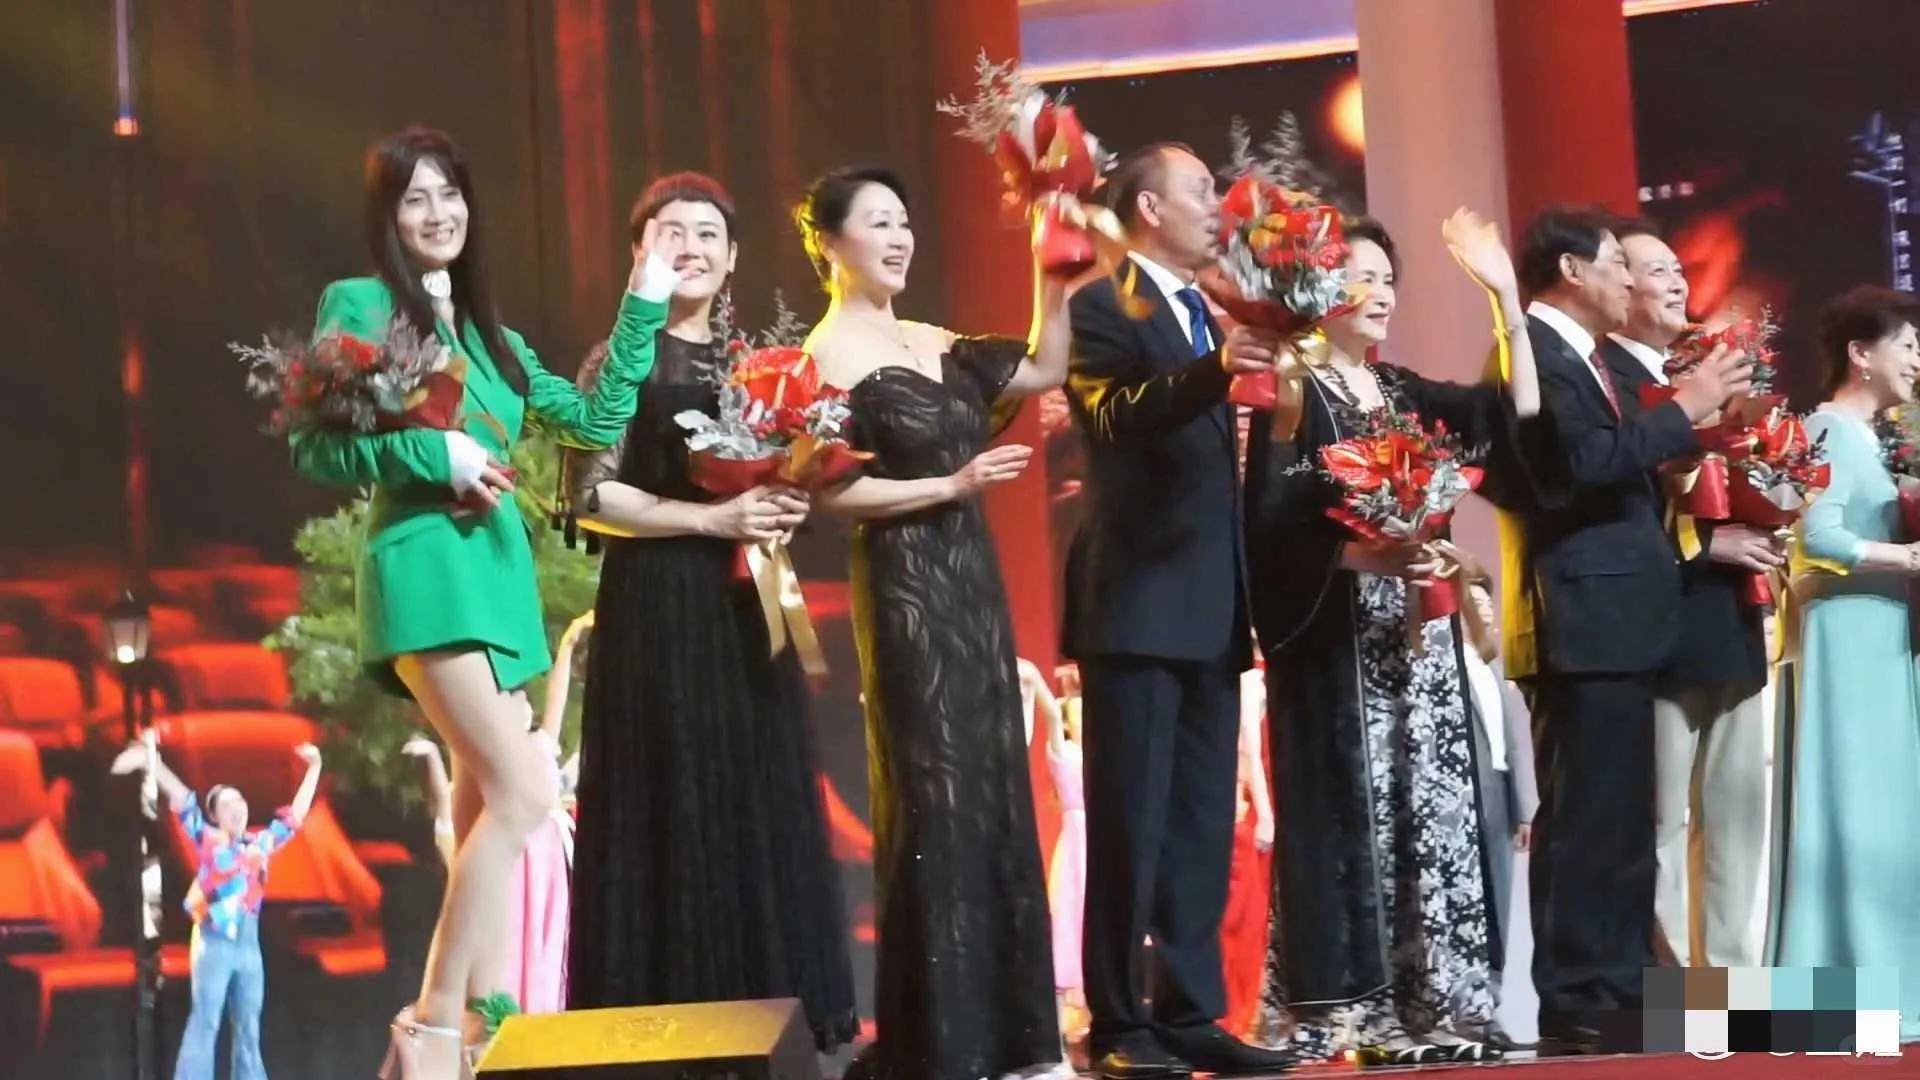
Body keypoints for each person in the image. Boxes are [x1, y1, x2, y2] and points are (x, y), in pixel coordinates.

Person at [289, 126, 680, 1078]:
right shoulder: (360, 306)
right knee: (524, 794)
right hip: (425, 571)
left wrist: (642, 303)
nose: (438, 213)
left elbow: (594, 420)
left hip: (497, 584)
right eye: (415, 198)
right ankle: (432, 1022)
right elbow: (316, 446)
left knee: (484, 819)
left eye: (450, 193)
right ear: (389, 217)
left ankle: (484, 1027)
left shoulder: (493, 339)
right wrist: (438, 452)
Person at [1241, 212, 1549, 1064]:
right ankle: (1356, 1012)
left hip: (1419, 641)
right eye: (1361, 276)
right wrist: (1360, 553)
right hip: (1337, 645)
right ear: (1315, 287)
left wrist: (1504, 296)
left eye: (1388, 279)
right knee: (1354, 817)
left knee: (1432, 815)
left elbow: (1516, 408)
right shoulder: (1293, 389)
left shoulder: (1400, 392)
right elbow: (1266, 526)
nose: (1381, 293)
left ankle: (1437, 1007)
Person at [560, 172, 857, 1049]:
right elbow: (589, 496)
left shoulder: (760, 370)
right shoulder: (618, 362)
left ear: (732, 261)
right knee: (668, 800)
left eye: (707, 235)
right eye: (671, 232)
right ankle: (666, 1038)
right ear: (639, 254)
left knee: (751, 799)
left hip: (744, 608)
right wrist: (712, 519)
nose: (690, 247)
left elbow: (791, 475)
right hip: (657, 607)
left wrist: (784, 500)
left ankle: (763, 1031)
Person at [798, 164, 1075, 1080]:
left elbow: (1043, 368)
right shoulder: (823, 356)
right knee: (937, 795)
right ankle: (944, 1043)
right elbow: (832, 495)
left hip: (973, 588)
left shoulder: (931, 337)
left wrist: (1049, 270)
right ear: (830, 243)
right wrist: (950, 485)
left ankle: (1019, 1038)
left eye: (904, 220)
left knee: (994, 785)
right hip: (905, 588)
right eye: (878, 221)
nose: (899, 237)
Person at [1062, 141, 1292, 1080]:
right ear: (1150, 208)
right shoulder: (1100, 305)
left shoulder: (1209, 311)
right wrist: (1214, 372)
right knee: (1132, 822)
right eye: (1201, 191)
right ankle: (1120, 1022)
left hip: (1210, 603)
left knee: (1200, 824)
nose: (1218, 207)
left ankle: (1191, 1012)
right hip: (1137, 601)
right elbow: (1111, 416)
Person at [1507, 206, 1750, 1054]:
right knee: (1585, 821)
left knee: (1620, 822)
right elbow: (1573, 467)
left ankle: (1621, 988)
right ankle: (1576, 996)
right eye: (1617, 262)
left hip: (1622, 620)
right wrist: (1683, 410)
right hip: (1582, 619)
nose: (1628, 278)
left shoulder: (1582, 358)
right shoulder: (1537, 352)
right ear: (1571, 271)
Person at [1603, 220, 1779, 970]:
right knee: (1662, 825)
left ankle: (1732, 992)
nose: (1677, 282)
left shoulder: (1715, 369)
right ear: (1617, 287)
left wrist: (1777, 488)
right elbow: (1608, 505)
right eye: (1656, 271)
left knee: (1737, 820)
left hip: (1729, 620)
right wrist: (1707, 544)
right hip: (1658, 630)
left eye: (1679, 269)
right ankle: (1674, 995)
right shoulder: (1605, 380)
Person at [1772, 285, 1920, 1042]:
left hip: (1885, 628)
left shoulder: (1876, 438)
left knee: (1891, 805)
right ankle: (1844, 986)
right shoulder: (1825, 429)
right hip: (1847, 632)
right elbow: (1818, 537)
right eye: (1908, 346)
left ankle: (1896, 980)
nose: (1918, 362)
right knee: (1857, 801)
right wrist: (1908, 556)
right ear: (1860, 354)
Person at [405, 609, 593, 1015]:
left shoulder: (539, 746)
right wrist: (431, 756)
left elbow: (558, 700)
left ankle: (538, 1012)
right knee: (510, 933)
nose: (521, 703)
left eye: (523, 699)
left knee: (546, 937)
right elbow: (449, 799)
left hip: (546, 866)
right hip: (518, 860)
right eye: (511, 697)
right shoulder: (493, 761)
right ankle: (479, 1009)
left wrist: (567, 646)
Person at [111, 738, 322, 1080]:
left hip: (249, 946)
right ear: (214, 816)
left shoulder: (260, 844)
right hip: (215, 943)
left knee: (249, 1026)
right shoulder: (209, 840)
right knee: (206, 1021)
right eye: (226, 805)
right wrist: (152, 762)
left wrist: (314, 768)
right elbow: (183, 799)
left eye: (239, 801)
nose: (236, 808)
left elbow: (295, 817)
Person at [1458, 555, 1539, 1045]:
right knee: (1468, 902)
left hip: (1498, 794)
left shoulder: (1490, 664)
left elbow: (1512, 740)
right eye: (1475, 601)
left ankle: (1491, 1006)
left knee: (1500, 905)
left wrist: (1522, 807)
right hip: (1463, 796)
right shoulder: (1443, 665)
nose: (1485, 610)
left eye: (1488, 601)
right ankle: (1467, 1009)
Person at [1028, 658, 1088, 1042]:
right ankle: (1066, 1021)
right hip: (1077, 846)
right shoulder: (1064, 752)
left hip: (1100, 844)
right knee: (1071, 918)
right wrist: (1036, 679)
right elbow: (1050, 712)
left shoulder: (1105, 754)